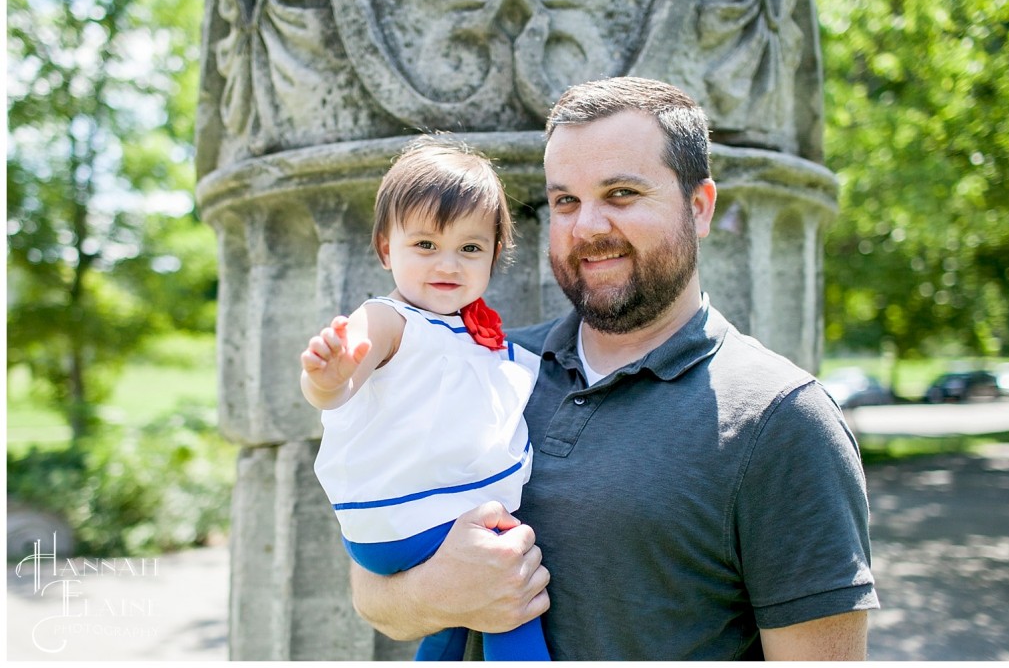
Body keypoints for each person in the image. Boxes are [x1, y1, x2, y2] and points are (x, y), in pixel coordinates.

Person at [347, 77, 880, 660]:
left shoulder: (783, 420)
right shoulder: (488, 367)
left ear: (699, 208)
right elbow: (373, 590)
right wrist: (440, 593)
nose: (588, 227)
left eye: (621, 193)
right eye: (565, 201)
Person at [299, 137, 550, 661]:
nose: (449, 264)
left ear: (495, 256)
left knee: (452, 615)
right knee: (506, 574)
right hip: (410, 520)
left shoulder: (473, 334)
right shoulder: (390, 319)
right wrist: (330, 377)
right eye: (426, 245)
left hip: (409, 523)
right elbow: (340, 382)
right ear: (387, 248)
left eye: (471, 248)